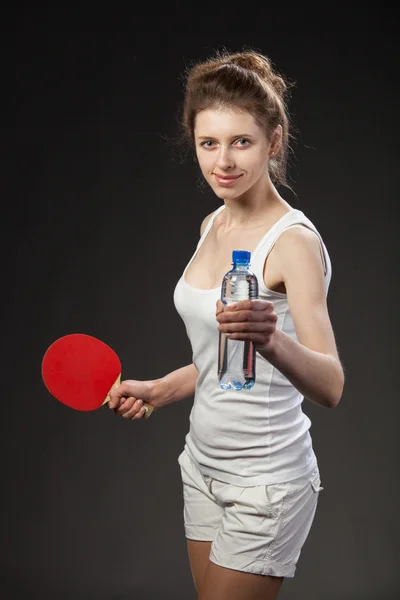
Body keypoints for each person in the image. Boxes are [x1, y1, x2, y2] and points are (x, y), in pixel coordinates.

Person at [108, 49, 345, 600]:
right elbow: (219, 358)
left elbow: (331, 385)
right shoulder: (211, 222)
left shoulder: (293, 243)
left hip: (267, 482)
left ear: (275, 141)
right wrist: (162, 390)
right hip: (201, 465)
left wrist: (271, 338)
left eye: (242, 142)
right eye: (208, 143)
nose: (224, 162)